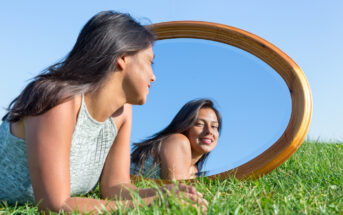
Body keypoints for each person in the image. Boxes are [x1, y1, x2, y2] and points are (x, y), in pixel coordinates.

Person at [0, 11, 207, 213]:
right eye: (149, 62)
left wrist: (165, 193)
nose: (153, 76)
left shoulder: (123, 112)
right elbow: (55, 205)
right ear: (123, 57)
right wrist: (152, 204)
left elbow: (115, 187)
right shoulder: (58, 100)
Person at [131, 99, 222, 180]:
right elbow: (178, 194)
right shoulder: (177, 140)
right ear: (185, 126)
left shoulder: (194, 170)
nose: (209, 131)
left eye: (214, 126)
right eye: (199, 124)